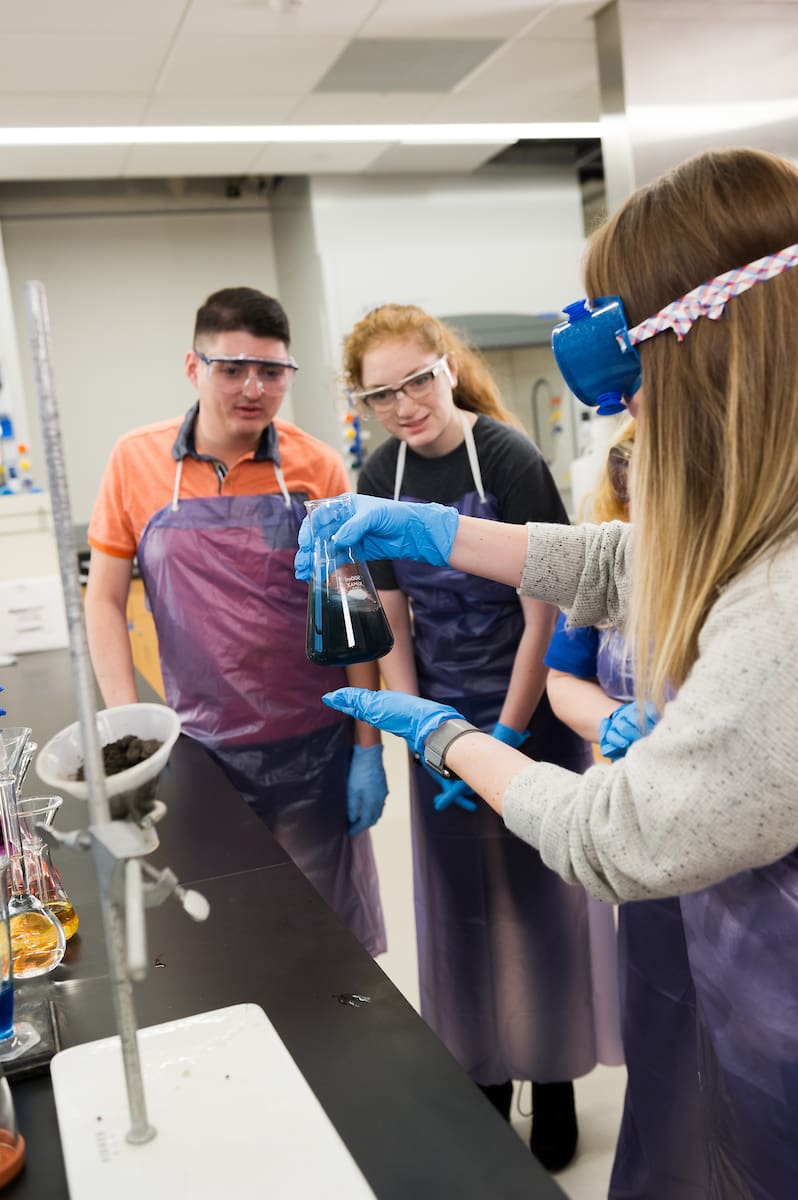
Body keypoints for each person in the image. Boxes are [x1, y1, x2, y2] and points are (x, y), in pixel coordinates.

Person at [295, 147, 798, 1199]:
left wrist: (455, 734)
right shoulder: (767, 514)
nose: (625, 414)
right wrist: (439, 534)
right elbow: (629, 559)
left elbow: (613, 836)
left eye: (625, 376)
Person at [343, 304, 622, 1171]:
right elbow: (391, 611)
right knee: (458, 902)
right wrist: (424, 731)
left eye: (417, 380)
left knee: (537, 904)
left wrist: (501, 730)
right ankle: (486, 1070)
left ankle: (555, 1078)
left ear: (448, 367)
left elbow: (545, 613)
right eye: (380, 393)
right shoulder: (378, 470)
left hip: (527, 708)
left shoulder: (506, 456)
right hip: (441, 713)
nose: (404, 404)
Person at [84, 286, 387, 956]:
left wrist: (368, 746)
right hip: (198, 753)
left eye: (272, 371)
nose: (253, 388)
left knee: (322, 942)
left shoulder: (318, 467)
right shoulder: (136, 462)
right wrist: (133, 733)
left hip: (316, 748)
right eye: (232, 368)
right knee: (223, 938)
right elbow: (103, 600)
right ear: (194, 368)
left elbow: (352, 612)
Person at [545, 421, 708, 1199]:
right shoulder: (605, 560)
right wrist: (607, 715)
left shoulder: (741, 569)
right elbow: (561, 679)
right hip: (640, 822)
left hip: (734, 838)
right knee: (664, 1023)